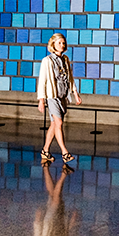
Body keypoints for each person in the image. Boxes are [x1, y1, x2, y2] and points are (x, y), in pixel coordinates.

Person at [37, 33, 82, 164]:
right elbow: (43, 81)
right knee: (59, 123)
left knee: (54, 124)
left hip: (63, 96)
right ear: (53, 44)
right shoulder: (47, 60)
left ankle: (45, 151)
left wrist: (75, 93)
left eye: (63, 43)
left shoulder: (66, 59)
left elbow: (70, 78)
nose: (62, 45)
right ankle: (65, 152)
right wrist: (41, 100)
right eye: (59, 43)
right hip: (52, 97)